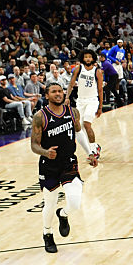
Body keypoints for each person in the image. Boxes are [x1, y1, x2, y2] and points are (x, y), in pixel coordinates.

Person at [31, 82, 98, 254]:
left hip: (69, 162)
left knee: (75, 202)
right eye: (54, 91)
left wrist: (90, 152)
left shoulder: (72, 111)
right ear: (47, 96)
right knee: (50, 203)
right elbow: (34, 145)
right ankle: (47, 234)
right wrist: (45, 152)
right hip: (49, 166)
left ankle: (64, 214)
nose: (58, 94)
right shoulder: (40, 116)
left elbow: (78, 132)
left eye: (60, 91)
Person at [67, 50, 104, 159]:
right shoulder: (78, 69)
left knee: (87, 124)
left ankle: (93, 151)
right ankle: (95, 147)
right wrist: (67, 97)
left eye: (89, 57)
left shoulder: (97, 71)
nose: (88, 59)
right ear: (82, 58)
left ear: (93, 58)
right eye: (85, 57)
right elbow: (71, 83)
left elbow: (100, 89)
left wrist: (100, 107)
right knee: (79, 127)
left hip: (92, 100)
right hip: (80, 101)